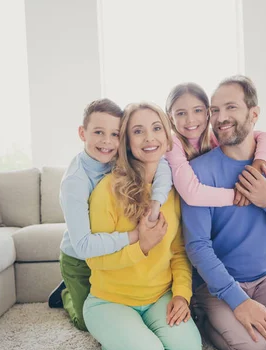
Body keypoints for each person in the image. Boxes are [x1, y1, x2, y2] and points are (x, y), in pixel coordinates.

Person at [181, 75, 266, 350]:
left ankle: (242, 311)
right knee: (252, 347)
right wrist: (238, 301)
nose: (221, 117)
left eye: (231, 108)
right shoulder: (198, 171)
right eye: (215, 110)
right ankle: (203, 314)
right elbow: (197, 246)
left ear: (254, 114)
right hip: (215, 283)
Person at [83, 102, 202, 350]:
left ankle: (136, 333)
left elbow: (178, 251)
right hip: (110, 300)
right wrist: (142, 247)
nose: (150, 138)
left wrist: (182, 295)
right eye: (138, 131)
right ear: (126, 141)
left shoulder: (171, 191)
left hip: (159, 296)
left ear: (167, 134)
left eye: (157, 128)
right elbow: (94, 259)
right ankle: (111, 336)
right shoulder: (107, 190)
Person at [47, 99, 173, 332]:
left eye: (115, 134)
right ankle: (66, 294)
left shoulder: (118, 156)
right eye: (98, 132)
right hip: (80, 258)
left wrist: (156, 202)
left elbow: (161, 162)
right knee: (87, 322)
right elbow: (84, 245)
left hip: (113, 251)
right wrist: (136, 235)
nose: (107, 141)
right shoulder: (75, 182)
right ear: (82, 133)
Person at [165, 82, 266, 207]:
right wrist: (248, 193)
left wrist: (258, 169)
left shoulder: (215, 137)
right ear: (171, 118)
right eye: (181, 113)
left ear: (207, 113)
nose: (190, 120)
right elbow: (192, 194)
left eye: (197, 110)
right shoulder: (171, 145)